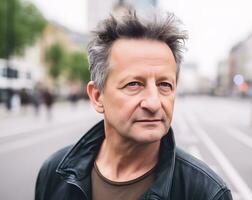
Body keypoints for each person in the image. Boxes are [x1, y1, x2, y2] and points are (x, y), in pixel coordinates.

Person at [35, 10, 232, 200]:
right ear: (97, 96)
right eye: (134, 84)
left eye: (164, 85)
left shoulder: (207, 193)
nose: (154, 103)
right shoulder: (54, 173)